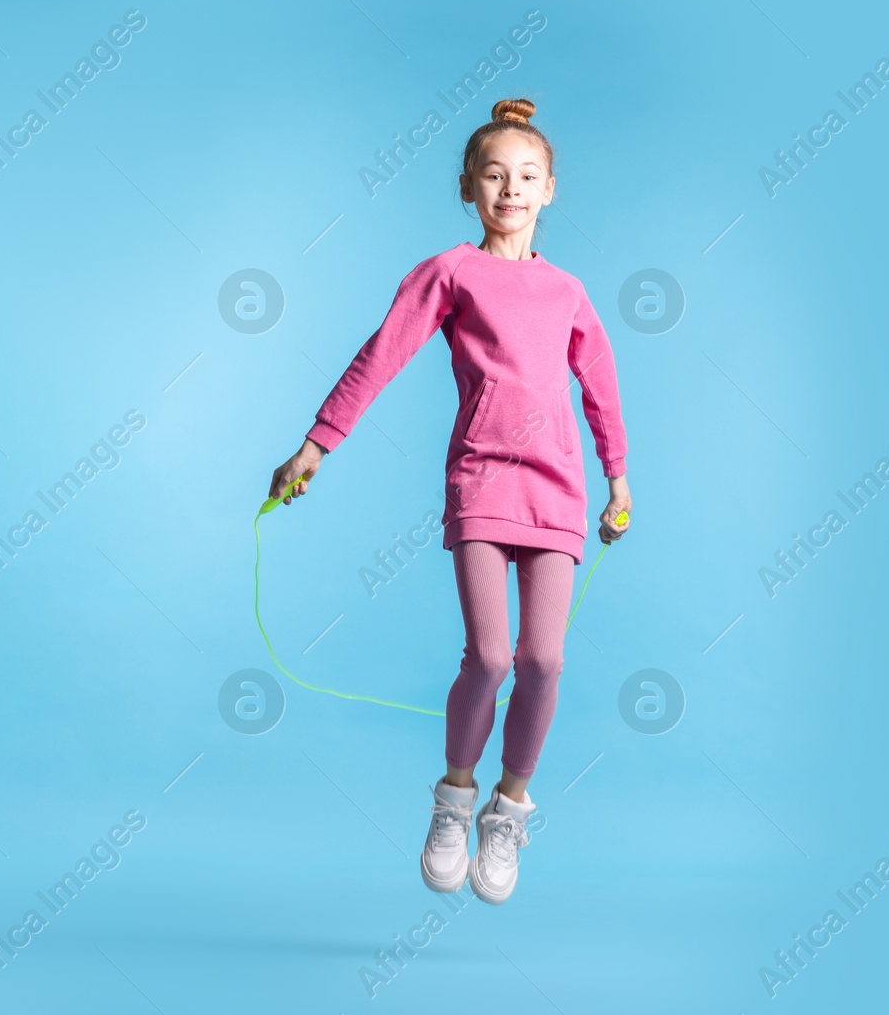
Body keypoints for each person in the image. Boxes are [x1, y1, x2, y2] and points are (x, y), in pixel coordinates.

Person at [267, 98, 631, 904]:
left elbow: (600, 387)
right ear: (468, 187)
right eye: (495, 175)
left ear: (550, 190)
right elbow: (380, 356)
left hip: (560, 492)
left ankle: (509, 805)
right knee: (492, 658)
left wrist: (618, 478)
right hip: (481, 480)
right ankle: (455, 796)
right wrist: (317, 444)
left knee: (543, 662)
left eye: (527, 176)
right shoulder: (449, 273)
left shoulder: (569, 291)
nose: (511, 188)